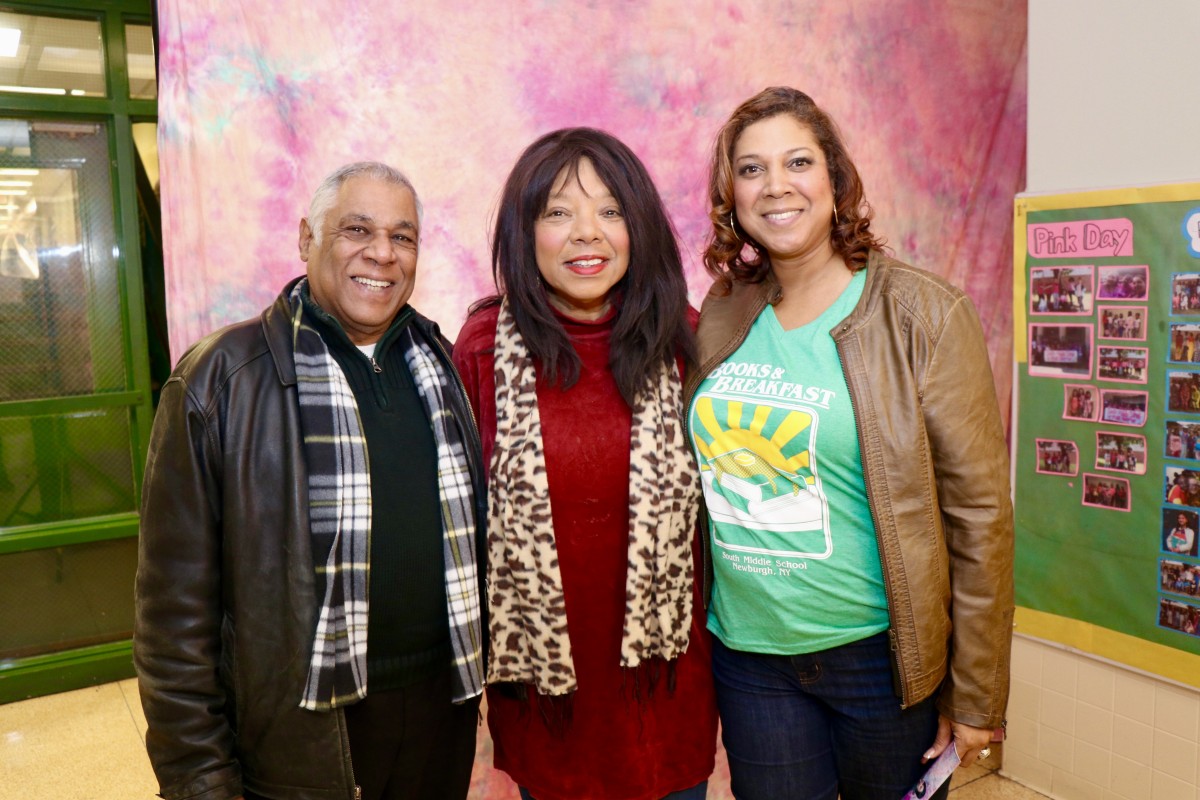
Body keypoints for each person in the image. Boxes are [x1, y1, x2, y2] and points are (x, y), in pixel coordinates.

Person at [683, 87, 1014, 800]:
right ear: (730, 194)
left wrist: (977, 693)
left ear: (835, 179)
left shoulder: (924, 315)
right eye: (751, 168)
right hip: (750, 658)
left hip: (882, 664)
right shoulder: (722, 309)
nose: (776, 185)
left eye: (798, 161)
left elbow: (979, 519)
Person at [134, 162, 486, 800]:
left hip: (443, 711)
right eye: (357, 229)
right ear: (306, 239)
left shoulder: (440, 362)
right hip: (301, 736)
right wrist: (200, 778)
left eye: (402, 237)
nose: (382, 252)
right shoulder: (220, 382)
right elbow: (172, 619)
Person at [453, 128, 718, 800]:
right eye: (558, 213)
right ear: (525, 230)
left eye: (610, 211)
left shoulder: (687, 339)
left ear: (640, 228)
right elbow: (453, 529)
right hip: (550, 705)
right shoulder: (484, 348)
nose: (586, 235)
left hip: (666, 692)